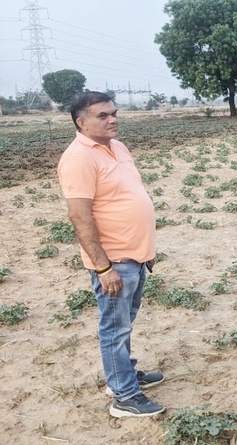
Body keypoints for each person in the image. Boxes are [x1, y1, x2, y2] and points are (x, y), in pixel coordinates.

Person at [57, 91, 165, 418]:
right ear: (82, 122)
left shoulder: (117, 147)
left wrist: (145, 249)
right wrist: (104, 269)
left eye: (114, 113)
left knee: (124, 323)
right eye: (102, 115)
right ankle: (124, 396)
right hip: (113, 261)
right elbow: (80, 216)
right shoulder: (78, 158)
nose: (112, 119)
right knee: (114, 327)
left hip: (134, 256)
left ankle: (123, 374)